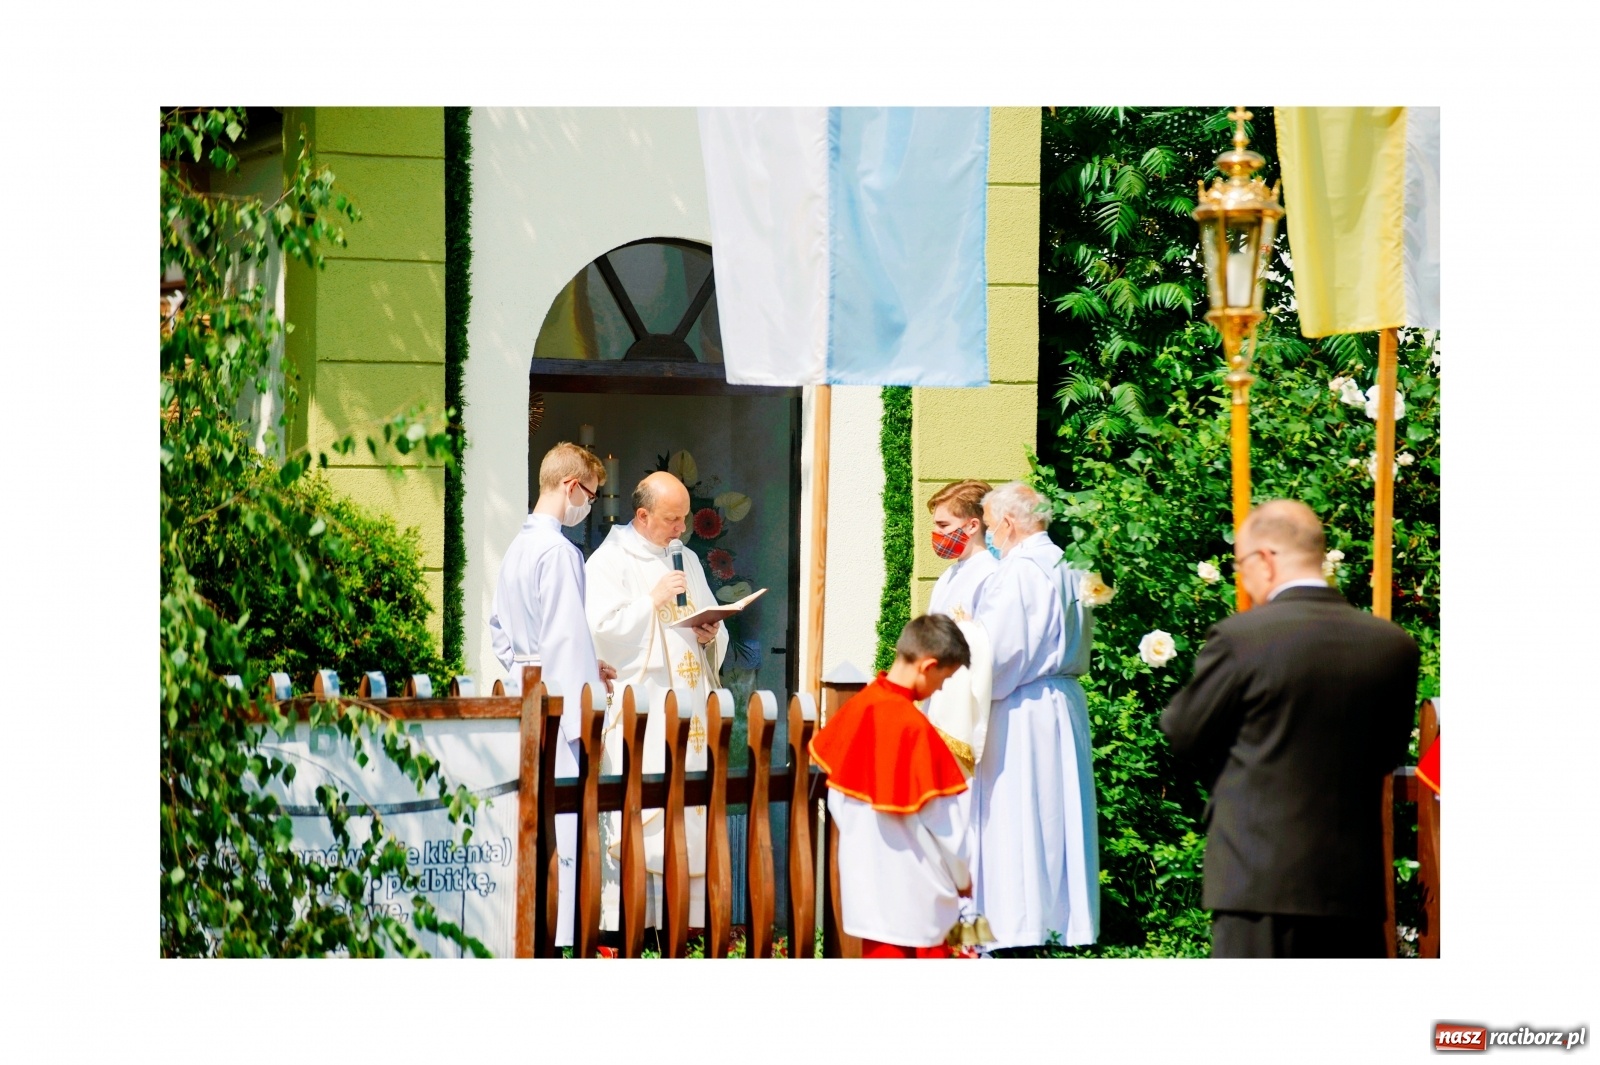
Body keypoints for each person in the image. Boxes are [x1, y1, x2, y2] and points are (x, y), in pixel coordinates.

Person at [1160, 500, 1418, 958]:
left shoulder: (1244, 638)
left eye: (1241, 565)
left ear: (1264, 559)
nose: (1243, 579)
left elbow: (1184, 731)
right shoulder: (1392, 646)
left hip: (1258, 878)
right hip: (1353, 886)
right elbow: (1387, 754)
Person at [585, 470, 729, 933]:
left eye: (685, 519)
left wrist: (710, 634)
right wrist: (651, 601)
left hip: (690, 707)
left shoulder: (685, 557)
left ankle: (685, 922)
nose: (681, 531)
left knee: (689, 811)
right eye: (671, 520)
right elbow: (599, 631)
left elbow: (705, 622)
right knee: (642, 811)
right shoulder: (608, 560)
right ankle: (629, 925)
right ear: (642, 515)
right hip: (641, 712)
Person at [487, 441, 615, 949]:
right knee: (562, 828)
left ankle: (526, 928)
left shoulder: (518, 546)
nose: (589, 505)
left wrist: (524, 666)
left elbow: (501, 629)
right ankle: (558, 937)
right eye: (591, 493)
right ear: (570, 487)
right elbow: (563, 641)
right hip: (558, 708)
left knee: (530, 819)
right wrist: (589, 716)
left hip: (525, 692)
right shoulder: (560, 551)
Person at [971, 481, 1099, 949]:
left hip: (1022, 706)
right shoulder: (1070, 563)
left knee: (1018, 811)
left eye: (988, 526)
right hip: (1062, 701)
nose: (989, 537)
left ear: (1006, 523)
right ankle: (1061, 920)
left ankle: (1017, 925)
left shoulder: (1019, 571)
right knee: (1055, 814)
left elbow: (999, 652)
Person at [810, 614, 974, 958]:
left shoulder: (858, 708)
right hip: (918, 898)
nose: (942, 688)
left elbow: (839, 803)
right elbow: (949, 829)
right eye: (945, 678)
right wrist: (964, 879)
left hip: (867, 891)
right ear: (928, 666)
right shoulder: (914, 729)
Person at [926, 479, 998, 622]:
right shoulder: (948, 574)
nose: (936, 532)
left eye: (943, 525)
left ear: (972, 526)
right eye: (935, 524)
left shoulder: (991, 576)